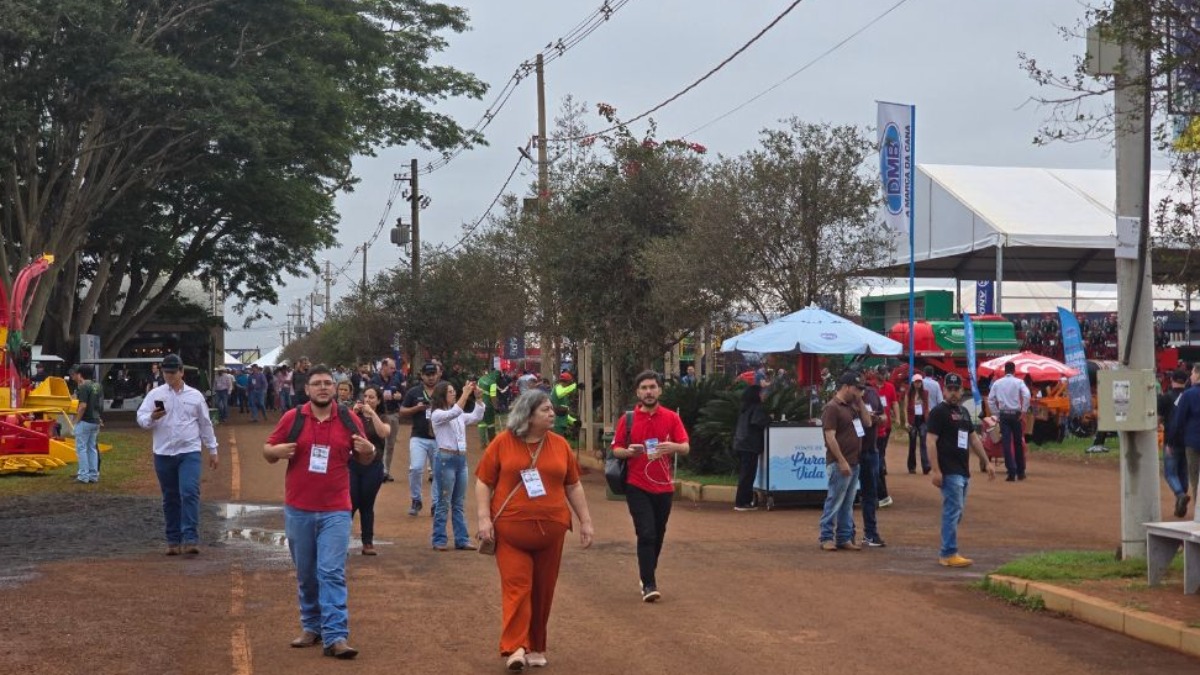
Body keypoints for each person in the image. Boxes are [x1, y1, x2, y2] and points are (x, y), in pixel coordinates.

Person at [475, 390, 594, 670]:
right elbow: (483, 482)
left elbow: (573, 485)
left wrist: (586, 521)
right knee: (518, 586)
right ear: (528, 415)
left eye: (551, 409)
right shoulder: (503, 443)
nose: (552, 413)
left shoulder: (561, 445)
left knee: (543, 590)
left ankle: (537, 645)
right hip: (510, 532)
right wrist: (483, 519)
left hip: (551, 533)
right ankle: (515, 647)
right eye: (545, 410)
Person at [263, 364, 376, 659]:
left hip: (336, 510)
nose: (323, 387)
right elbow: (268, 450)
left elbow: (365, 458)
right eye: (317, 383)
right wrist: (275, 452)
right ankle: (311, 626)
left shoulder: (349, 419)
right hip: (299, 508)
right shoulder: (293, 418)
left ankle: (336, 635)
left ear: (334, 387)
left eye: (328, 383)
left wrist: (370, 451)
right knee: (306, 574)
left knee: (331, 572)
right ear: (307, 389)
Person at [611, 371, 690, 602]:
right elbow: (616, 449)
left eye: (652, 387)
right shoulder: (627, 420)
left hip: (664, 487)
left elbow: (685, 447)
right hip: (637, 484)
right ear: (638, 392)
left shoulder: (671, 418)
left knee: (658, 533)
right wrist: (628, 452)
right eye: (644, 387)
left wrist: (672, 447)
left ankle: (647, 573)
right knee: (646, 532)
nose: (648, 391)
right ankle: (649, 584)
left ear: (659, 390)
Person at [137, 354, 219, 556]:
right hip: (163, 452)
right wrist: (151, 417)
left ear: (181, 372)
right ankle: (173, 539)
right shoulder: (155, 394)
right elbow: (141, 418)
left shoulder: (195, 396)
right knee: (170, 497)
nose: (169, 376)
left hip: (188, 451)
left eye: (173, 372)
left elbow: (205, 423)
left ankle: (190, 537)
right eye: (166, 372)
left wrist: (213, 449)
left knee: (189, 492)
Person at [926, 373, 995, 567]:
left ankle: (948, 548)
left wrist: (987, 462)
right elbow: (930, 440)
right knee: (952, 511)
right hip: (949, 471)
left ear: (962, 390)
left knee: (957, 512)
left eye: (957, 389)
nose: (954, 393)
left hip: (963, 471)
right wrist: (936, 470)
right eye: (950, 389)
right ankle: (948, 553)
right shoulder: (938, 412)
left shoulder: (964, 412)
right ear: (944, 390)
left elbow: (973, 438)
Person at [818, 371, 872, 551]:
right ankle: (826, 537)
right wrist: (841, 461)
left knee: (847, 503)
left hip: (854, 461)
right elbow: (829, 437)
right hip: (840, 462)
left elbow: (868, 423)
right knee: (835, 500)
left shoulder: (852, 406)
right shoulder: (832, 407)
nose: (859, 392)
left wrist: (860, 401)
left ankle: (843, 537)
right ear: (846, 387)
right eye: (857, 389)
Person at [430, 379, 486, 551]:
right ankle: (439, 539)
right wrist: (466, 393)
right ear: (442, 395)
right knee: (444, 501)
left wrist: (478, 400)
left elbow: (476, 416)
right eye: (450, 391)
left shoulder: (457, 413)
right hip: (446, 458)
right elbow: (454, 412)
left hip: (459, 459)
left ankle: (461, 539)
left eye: (454, 391)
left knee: (458, 502)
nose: (453, 394)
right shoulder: (437, 414)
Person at [351, 386, 390, 555]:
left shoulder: (382, 417)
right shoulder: (354, 416)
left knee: (367, 504)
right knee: (350, 503)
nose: (367, 400)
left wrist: (372, 413)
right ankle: (341, 541)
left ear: (379, 400)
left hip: (373, 465)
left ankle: (367, 542)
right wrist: (352, 413)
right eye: (365, 396)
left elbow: (383, 433)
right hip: (352, 464)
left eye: (372, 397)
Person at [400, 362, 442, 516]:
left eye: (433, 374)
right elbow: (402, 411)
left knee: (438, 472)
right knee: (416, 468)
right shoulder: (414, 392)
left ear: (437, 375)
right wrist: (416, 408)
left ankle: (436, 503)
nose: (431, 378)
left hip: (439, 438)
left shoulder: (442, 390)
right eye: (428, 375)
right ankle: (416, 499)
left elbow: (453, 408)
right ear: (422, 376)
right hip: (418, 436)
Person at [857, 372, 887, 547]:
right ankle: (846, 534)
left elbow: (884, 416)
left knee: (870, 494)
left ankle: (870, 534)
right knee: (846, 495)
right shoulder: (848, 398)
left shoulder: (873, 394)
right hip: (854, 452)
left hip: (871, 450)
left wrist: (879, 419)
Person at [987, 361, 1031, 481]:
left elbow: (990, 400)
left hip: (1004, 416)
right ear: (1014, 371)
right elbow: (1027, 395)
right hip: (1016, 415)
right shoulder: (1019, 382)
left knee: (1006, 443)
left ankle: (1011, 472)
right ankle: (1021, 472)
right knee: (1018, 443)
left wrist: (997, 414)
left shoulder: (997, 383)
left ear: (1005, 371)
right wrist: (1023, 411)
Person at [1159, 370, 1191, 518]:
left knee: (1170, 472)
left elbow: (1158, 418)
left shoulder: (1165, 398)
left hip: (1171, 440)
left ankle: (1180, 495)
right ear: (1186, 381)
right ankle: (1182, 497)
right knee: (1183, 471)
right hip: (1188, 440)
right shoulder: (1189, 396)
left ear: (1171, 379)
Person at [732, 384, 768, 511]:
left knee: (745, 473)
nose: (764, 395)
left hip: (740, 443)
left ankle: (743, 500)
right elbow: (757, 422)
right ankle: (742, 502)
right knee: (748, 474)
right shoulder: (756, 408)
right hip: (749, 444)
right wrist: (768, 419)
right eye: (761, 393)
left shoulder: (744, 408)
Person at [1169, 364, 1200, 509]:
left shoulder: (1188, 394)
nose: (1191, 376)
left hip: (1193, 442)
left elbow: (1179, 421)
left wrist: (1171, 442)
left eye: (1193, 373)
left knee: (1195, 478)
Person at [370, 357, 405, 483]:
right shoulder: (374, 380)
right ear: (383, 366)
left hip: (393, 414)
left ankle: (386, 471)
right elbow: (368, 396)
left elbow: (402, 394)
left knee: (390, 444)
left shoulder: (395, 380)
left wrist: (399, 396)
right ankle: (376, 470)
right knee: (378, 443)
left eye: (394, 368)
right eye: (391, 368)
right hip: (379, 415)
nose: (393, 370)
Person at [71, 365, 103, 484]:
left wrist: (76, 421)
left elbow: (83, 406)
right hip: (95, 420)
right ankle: (93, 475)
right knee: (92, 448)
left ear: (80, 374)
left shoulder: (84, 386)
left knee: (81, 449)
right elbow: (99, 404)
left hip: (85, 421)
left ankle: (83, 475)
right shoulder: (97, 386)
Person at [874, 365, 898, 508]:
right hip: (873, 428)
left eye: (885, 373)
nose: (883, 375)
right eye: (881, 373)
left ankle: (882, 493)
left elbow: (894, 402)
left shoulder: (889, 387)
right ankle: (881, 467)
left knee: (880, 454)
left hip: (885, 426)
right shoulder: (870, 387)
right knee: (878, 457)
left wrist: (897, 417)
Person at [905, 373, 932, 474]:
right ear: (913, 383)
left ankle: (926, 466)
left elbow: (927, 406)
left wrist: (928, 419)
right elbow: (905, 407)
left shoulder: (925, 393)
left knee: (923, 442)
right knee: (912, 444)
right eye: (916, 382)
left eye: (920, 381)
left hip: (922, 420)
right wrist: (906, 422)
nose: (918, 383)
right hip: (912, 420)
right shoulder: (909, 394)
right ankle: (911, 466)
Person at [550, 371, 577, 435]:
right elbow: (560, 393)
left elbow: (564, 414)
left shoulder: (563, 395)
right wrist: (575, 386)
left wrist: (574, 422)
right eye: (569, 383)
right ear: (566, 382)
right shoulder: (558, 388)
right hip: (556, 424)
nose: (569, 386)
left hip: (560, 424)